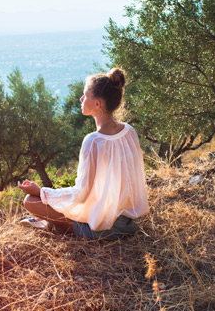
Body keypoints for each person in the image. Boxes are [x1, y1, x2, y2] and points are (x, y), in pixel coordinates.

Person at [17, 68, 149, 239]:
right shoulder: (130, 131)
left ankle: (52, 224)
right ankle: (50, 223)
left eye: (85, 95)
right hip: (131, 224)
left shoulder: (93, 141)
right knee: (50, 203)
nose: (81, 99)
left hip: (105, 230)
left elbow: (81, 194)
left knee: (30, 201)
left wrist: (41, 191)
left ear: (97, 104)